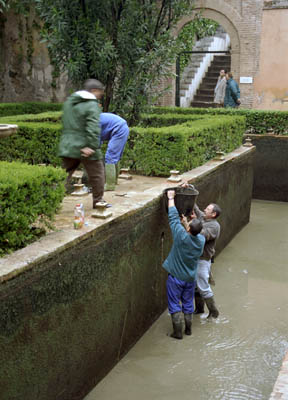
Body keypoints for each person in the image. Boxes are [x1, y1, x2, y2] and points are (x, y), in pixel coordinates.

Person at [163, 190, 205, 339]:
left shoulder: (181, 236)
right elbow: (193, 232)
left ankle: (178, 333)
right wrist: (187, 222)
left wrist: (171, 198)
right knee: (187, 304)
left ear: (188, 229)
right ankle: (188, 330)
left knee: (174, 305)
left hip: (176, 278)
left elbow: (173, 218)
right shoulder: (201, 241)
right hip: (190, 278)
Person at [58, 79, 106, 209]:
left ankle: (51, 202)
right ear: (94, 91)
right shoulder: (91, 105)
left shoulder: (69, 102)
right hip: (86, 146)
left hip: (68, 146)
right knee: (98, 175)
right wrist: (91, 145)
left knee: (63, 176)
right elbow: (93, 126)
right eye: (100, 93)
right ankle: (99, 202)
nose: (100, 95)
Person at [191, 201, 221, 318]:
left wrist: (190, 223)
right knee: (195, 286)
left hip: (203, 260)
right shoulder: (203, 218)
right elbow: (196, 208)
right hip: (195, 258)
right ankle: (199, 309)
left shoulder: (214, 226)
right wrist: (190, 188)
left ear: (213, 214)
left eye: (207, 209)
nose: (204, 210)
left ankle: (214, 312)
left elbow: (200, 234)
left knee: (203, 287)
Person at [100, 113, 130, 191]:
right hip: (122, 127)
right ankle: (114, 181)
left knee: (110, 157)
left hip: (119, 129)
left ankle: (110, 185)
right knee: (115, 156)